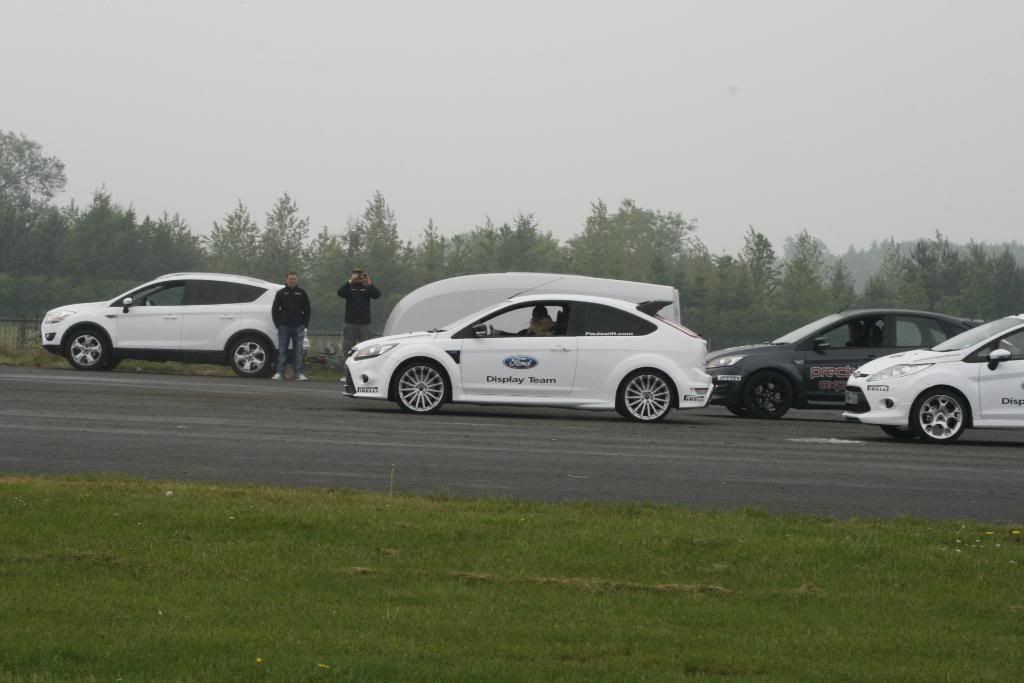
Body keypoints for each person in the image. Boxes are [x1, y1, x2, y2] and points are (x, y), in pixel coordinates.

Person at [271, 271, 311, 380]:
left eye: (294, 279)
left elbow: (307, 310)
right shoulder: (280, 293)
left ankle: (299, 373)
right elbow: (275, 309)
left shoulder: (302, 293)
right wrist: (278, 324)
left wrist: (305, 324)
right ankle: (279, 372)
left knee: (298, 351)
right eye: (290, 279)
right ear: (286, 280)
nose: (292, 281)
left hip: (298, 326)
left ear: (296, 280)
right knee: (282, 351)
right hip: (284, 326)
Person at [337, 267, 381, 357]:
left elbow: (377, 295)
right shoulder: (349, 288)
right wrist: (350, 281)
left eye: (360, 274)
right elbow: (340, 293)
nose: (358, 277)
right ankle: (348, 367)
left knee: (366, 347)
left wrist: (369, 282)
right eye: (356, 274)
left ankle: (363, 368)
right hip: (350, 323)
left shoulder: (366, 288)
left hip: (364, 323)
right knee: (348, 347)